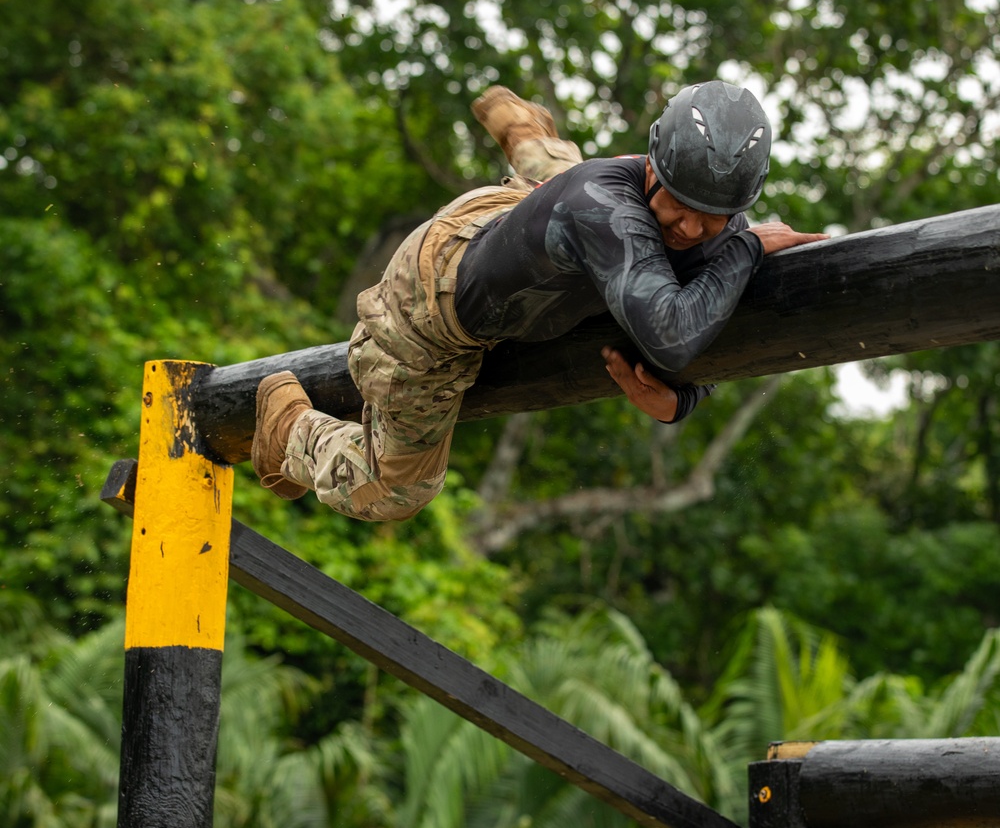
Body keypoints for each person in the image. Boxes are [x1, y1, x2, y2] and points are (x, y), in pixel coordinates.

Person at [251, 81, 825, 521]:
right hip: (432, 296)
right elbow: (673, 336)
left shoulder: (705, 221)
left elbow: (710, 330)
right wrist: (746, 249)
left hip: (536, 226)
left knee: (569, 200)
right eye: (678, 202)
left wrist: (683, 401)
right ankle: (289, 430)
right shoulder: (606, 205)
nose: (694, 227)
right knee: (396, 489)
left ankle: (530, 138)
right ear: (653, 166)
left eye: (716, 216)